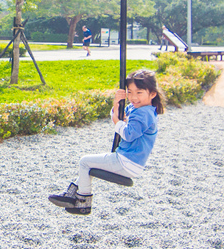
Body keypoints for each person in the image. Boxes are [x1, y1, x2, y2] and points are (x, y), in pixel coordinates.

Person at [48, 69, 165, 215]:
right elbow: (117, 114)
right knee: (88, 166)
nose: (133, 97)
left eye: (139, 92)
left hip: (126, 161)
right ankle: (71, 195)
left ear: (152, 94)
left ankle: (82, 202)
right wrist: (117, 103)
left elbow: (129, 134)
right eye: (129, 92)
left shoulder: (143, 113)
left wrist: (117, 121)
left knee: (84, 162)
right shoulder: (138, 108)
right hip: (129, 161)